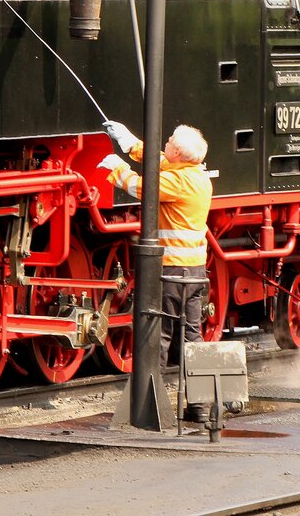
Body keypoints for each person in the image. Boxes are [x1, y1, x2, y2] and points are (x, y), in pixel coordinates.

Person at [98, 122, 213, 418]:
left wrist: (117, 169)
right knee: (192, 337)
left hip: (173, 271)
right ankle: (200, 406)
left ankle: (152, 406)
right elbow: (160, 162)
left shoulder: (178, 183)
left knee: (159, 335)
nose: (166, 142)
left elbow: (143, 187)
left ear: (178, 152)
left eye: (170, 141)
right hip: (195, 271)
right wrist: (129, 143)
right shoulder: (194, 175)